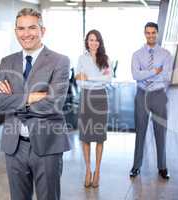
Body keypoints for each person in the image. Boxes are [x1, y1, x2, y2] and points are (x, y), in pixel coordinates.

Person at [0, 8, 71, 200]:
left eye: (32, 28)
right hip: (14, 146)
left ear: (42, 30)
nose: (26, 34)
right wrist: (30, 97)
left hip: (48, 145)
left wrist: (15, 99)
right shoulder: (6, 62)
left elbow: (54, 104)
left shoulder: (60, 61)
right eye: (21, 28)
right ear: (16, 31)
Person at [130, 22, 173, 180]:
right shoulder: (137, 54)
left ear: (157, 33)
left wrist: (145, 74)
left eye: (153, 32)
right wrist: (155, 71)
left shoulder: (166, 54)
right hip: (141, 95)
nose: (151, 35)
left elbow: (166, 76)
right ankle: (136, 166)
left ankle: (163, 167)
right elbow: (135, 75)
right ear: (144, 34)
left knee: (160, 132)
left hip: (159, 95)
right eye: (148, 33)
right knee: (140, 131)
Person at [75, 29, 111, 188]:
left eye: (96, 40)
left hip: (100, 99)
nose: (94, 42)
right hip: (85, 98)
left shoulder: (105, 59)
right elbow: (80, 83)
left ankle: (97, 172)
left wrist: (89, 78)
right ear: (87, 42)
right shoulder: (81, 59)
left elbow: (108, 80)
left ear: (100, 42)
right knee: (86, 136)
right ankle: (88, 170)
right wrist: (96, 80)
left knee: (99, 136)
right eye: (91, 40)